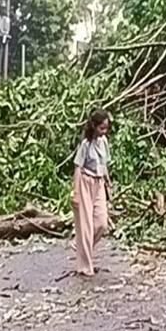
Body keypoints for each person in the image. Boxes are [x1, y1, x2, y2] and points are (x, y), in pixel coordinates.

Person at [71, 109, 111, 276]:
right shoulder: (85, 144)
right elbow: (78, 167)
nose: (104, 131)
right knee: (85, 225)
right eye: (102, 128)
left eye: (106, 128)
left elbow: (104, 163)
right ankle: (86, 267)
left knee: (102, 223)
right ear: (94, 126)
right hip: (86, 182)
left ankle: (80, 244)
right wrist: (76, 192)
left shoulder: (104, 141)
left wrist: (108, 182)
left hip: (99, 182)